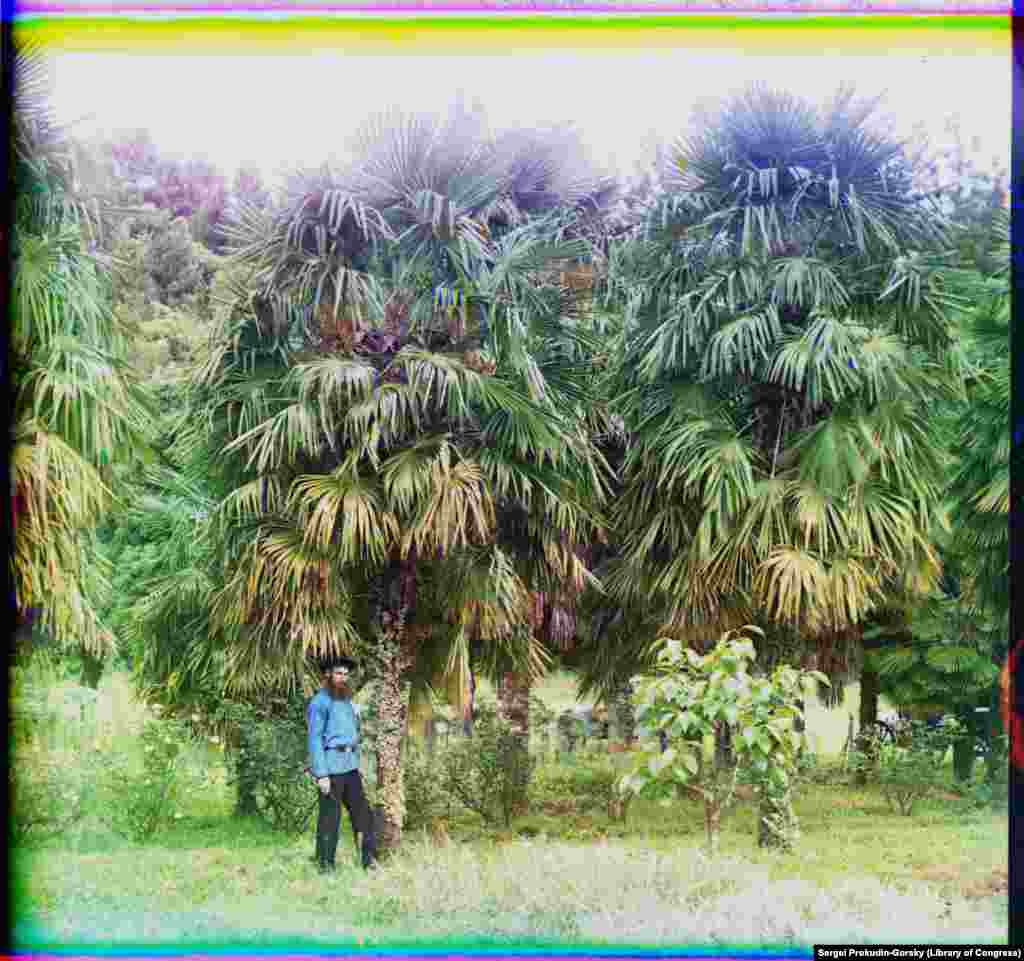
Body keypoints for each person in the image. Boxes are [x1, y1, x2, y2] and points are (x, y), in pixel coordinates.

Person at [307, 655, 377, 872]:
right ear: (327, 674)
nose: (343, 678)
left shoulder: (346, 701)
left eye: (346, 674)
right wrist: (321, 774)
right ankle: (325, 865)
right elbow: (314, 739)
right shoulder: (319, 702)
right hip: (331, 768)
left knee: (363, 814)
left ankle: (368, 861)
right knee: (330, 818)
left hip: (350, 767)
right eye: (338, 673)